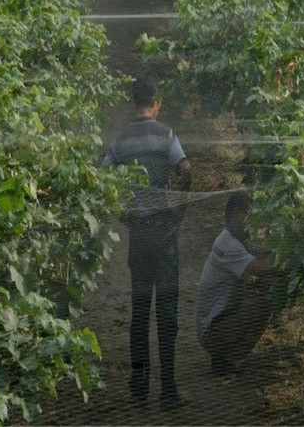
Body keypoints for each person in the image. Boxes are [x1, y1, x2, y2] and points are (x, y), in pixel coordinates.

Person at [102, 71, 192, 410]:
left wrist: (120, 211)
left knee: (140, 313)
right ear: (155, 104)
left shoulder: (122, 140)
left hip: (139, 234)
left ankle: (138, 389)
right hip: (165, 234)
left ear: (134, 102)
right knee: (167, 314)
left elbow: (101, 176)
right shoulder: (166, 134)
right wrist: (179, 210)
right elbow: (186, 169)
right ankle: (168, 391)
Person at [196, 192, 283, 376]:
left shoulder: (236, 240)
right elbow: (259, 267)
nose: (254, 223)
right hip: (211, 331)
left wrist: (283, 247)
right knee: (264, 303)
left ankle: (223, 355)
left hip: (216, 321)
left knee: (265, 288)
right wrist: (286, 262)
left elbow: (263, 253)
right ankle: (227, 358)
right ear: (236, 215)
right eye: (250, 216)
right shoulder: (228, 244)